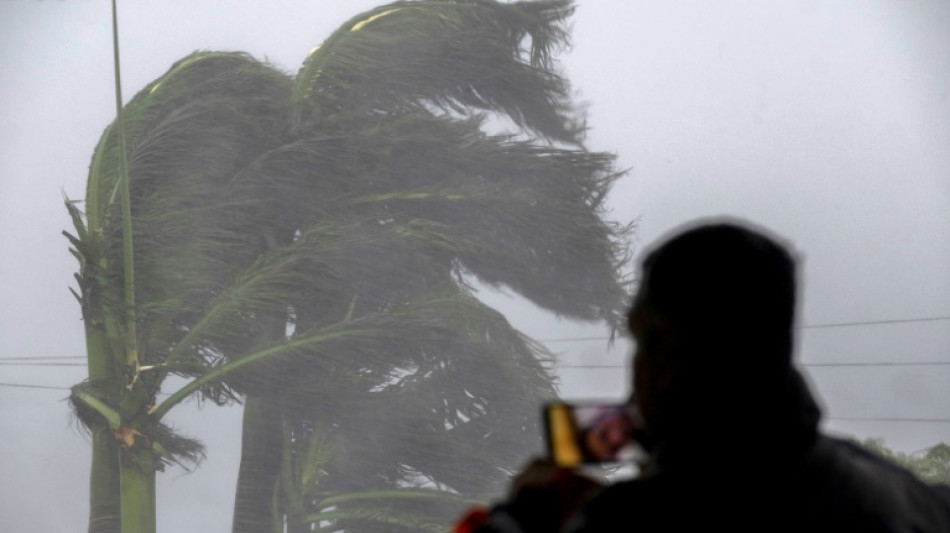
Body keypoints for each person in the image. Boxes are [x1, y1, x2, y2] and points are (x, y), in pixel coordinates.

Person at [468, 218, 950, 533]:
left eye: (640, 339)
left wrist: (520, 518)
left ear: (668, 354)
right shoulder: (890, 484)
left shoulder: (636, 519)